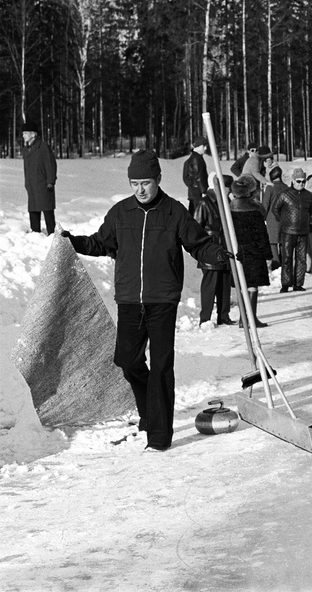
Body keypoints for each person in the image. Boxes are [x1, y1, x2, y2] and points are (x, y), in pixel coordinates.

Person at [63, 149, 228, 451]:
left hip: (162, 300)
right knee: (127, 361)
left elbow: (199, 244)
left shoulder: (174, 211)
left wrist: (218, 254)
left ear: (158, 180)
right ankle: (150, 412)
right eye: (134, 183)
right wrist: (73, 241)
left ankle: (159, 436)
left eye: (145, 183)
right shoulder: (120, 213)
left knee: (162, 367)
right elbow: (100, 243)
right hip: (129, 300)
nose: (139, 190)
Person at [228, 174, 271, 328]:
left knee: (241, 284)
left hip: (237, 251)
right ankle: (251, 318)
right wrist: (268, 254)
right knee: (252, 286)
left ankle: (242, 318)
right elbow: (262, 234)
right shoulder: (256, 209)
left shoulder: (230, 209)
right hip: (254, 252)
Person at [194, 173, 235, 328]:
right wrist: (203, 248)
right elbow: (196, 227)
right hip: (210, 249)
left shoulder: (226, 202)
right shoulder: (205, 203)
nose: (229, 192)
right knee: (210, 285)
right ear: (220, 188)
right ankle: (205, 318)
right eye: (228, 189)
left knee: (224, 283)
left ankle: (223, 315)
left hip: (224, 247)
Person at [272, 167, 312, 292]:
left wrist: (309, 221)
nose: (301, 184)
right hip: (288, 232)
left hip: (303, 232)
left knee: (301, 259)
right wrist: (283, 220)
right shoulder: (284, 195)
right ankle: (285, 284)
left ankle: (298, 283)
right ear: (293, 180)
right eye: (298, 181)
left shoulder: (308, 195)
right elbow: (275, 209)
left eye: (303, 181)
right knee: (287, 258)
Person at [22, 120, 57, 235]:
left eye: (25, 133)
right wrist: (26, 183)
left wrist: (50, 181)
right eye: (23, 133)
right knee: (33, 210)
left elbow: (50, 164)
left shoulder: (42, 147)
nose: (23, 136)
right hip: (32, 185)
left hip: (44, 184)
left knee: (47, 211)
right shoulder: (26, 149)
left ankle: (52, 235)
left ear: (33, 134)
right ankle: (35, 234)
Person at [261, 166, 287, 269]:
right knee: (282, 241)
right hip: (284, 218)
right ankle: (284, 262)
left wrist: (262, 216)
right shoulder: (286, 187)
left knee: (272, 241)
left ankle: (276, 263)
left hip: (272, 219)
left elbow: (265, 204)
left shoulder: (270, 188)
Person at [182, 136, 209, 216]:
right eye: (203, 146)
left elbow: (185, 178)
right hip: (198, 193)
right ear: (198, 146)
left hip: (193, 192)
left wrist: (191, 186)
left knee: (192, 212)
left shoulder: (193, 158)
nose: (205, 148)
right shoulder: (196, 159)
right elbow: (199, 177)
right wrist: (204, 191)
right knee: (198, 215)